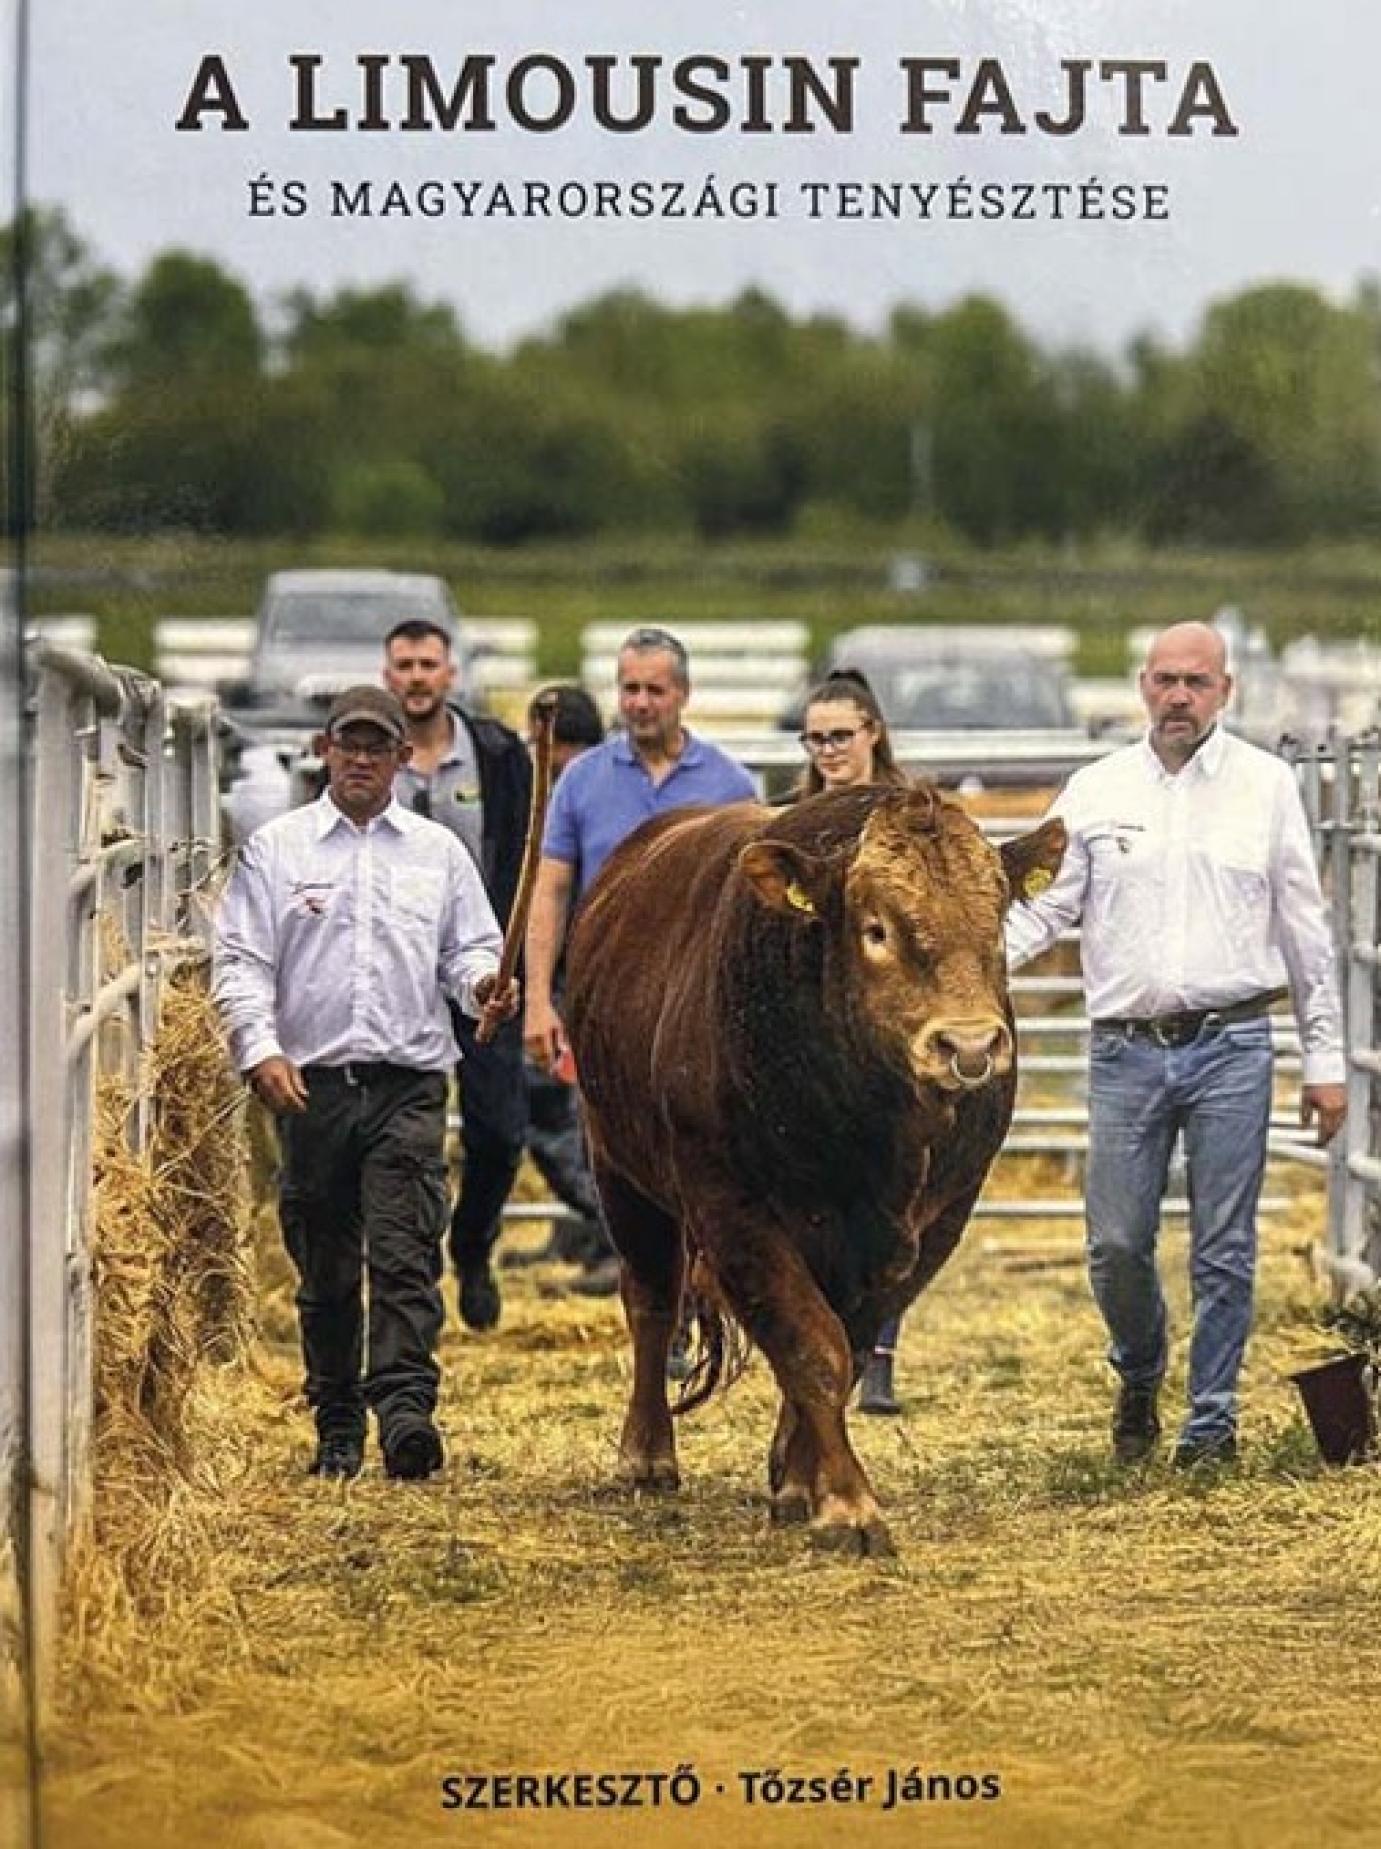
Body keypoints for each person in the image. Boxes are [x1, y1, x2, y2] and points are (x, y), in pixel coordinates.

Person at [1006, 621, 1347, 1469]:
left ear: (1224, 691)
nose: (1177, 697)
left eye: (1195, 681)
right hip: (1124, 1047)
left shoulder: (1265, 788)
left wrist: (1326, 1060)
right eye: (1163, 680)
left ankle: (1210, 1421)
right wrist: (968, 960)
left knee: (1223, 1244)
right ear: (1141, 687)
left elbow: (1304, 932)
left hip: (1231, 1040)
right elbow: (1048, 908)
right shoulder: (1092, 791)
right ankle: (1140, 1365)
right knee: (1115, 1242)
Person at [212, 685, 519, 1482]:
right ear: (323, 749)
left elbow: (468, 952)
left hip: (407, 1080)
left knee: (406, 1248)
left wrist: (484, 986)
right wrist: (260, 1048)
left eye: (375, 746)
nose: (358, 758)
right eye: (346, 744)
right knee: (325, 1261)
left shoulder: (435, 853)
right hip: (308, 1084)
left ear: (401, 758)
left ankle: (407, 1409)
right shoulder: (276, 850)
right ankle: (337, 1417)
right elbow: (241, 961)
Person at [382, 617, 532, 1334]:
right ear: (389, 676)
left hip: (483, 966)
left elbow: (531, 859)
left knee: (500, 1130)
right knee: (400, 1135)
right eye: (403, 664)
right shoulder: (365, 754)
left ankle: (472, 1244)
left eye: (427, 663)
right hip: (393, 973)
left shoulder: (498, 754)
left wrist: (526, 962)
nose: (415, 676)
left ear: (450, 675)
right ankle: (412, 1271)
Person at [523, 626, 758, 1078]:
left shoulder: (732, 785)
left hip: (698, 1008)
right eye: (630, 689)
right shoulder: (580, 779)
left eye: (655, 690)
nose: (641, 703)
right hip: (602, 1001)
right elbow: (548, 891)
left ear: (683, 694)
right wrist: (537, 1001)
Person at [792, 669, 912, 1416]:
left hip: (892, 1034)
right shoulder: (793, 821)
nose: (829, 749)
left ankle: (879, 1353)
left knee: (893, 1198)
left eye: (840, 734)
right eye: (815, 738)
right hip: (813, 1039)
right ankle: (825, 1340)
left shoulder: (907, 819)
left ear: (872, 731)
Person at [503, 684, 616, 1284]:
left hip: (588, 975)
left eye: (561, 756)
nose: (552, 770)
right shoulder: (535, 795)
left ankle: (609, 1232)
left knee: (565, 1106)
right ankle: (579, 1228)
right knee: (555, 1105)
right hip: (549, 971)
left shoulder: (594, 797)